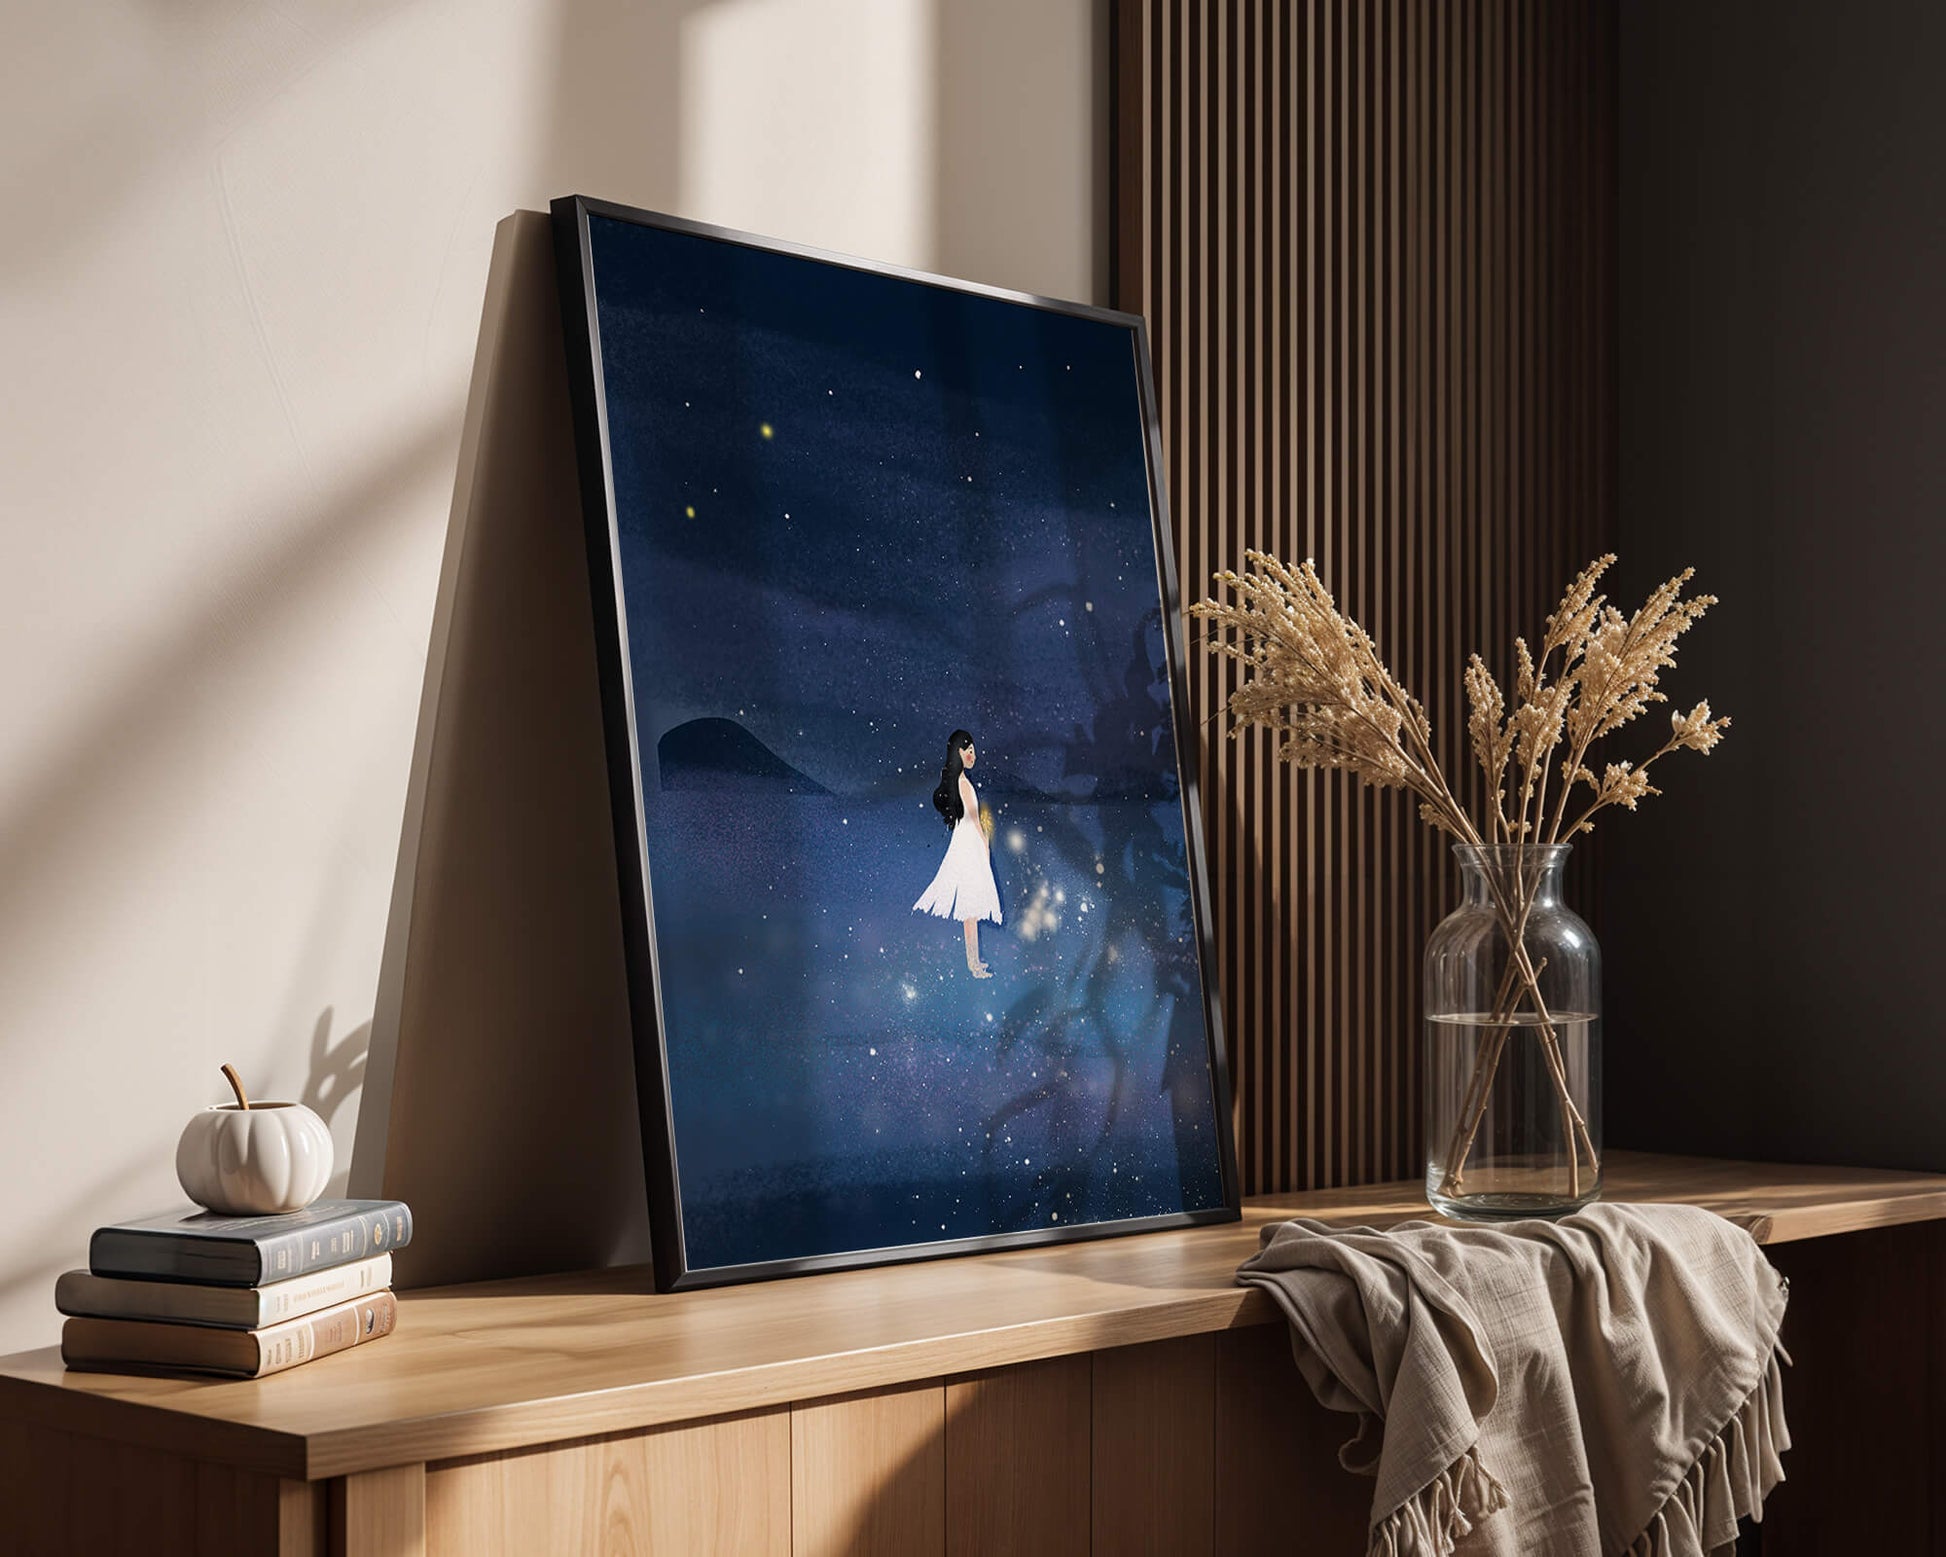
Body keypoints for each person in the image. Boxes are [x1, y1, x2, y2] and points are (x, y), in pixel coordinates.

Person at [913, 729, 1002, 977]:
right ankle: (973, 964)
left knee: (970, 909)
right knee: (970, 907)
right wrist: (984, 843)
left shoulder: (962, 782)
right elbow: (974, 820)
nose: (973, 755)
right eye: (969, 750)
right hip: (969, 844)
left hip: (966, 842)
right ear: (959, 753)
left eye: (974, 750)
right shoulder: (963, 783)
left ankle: (974, 961)